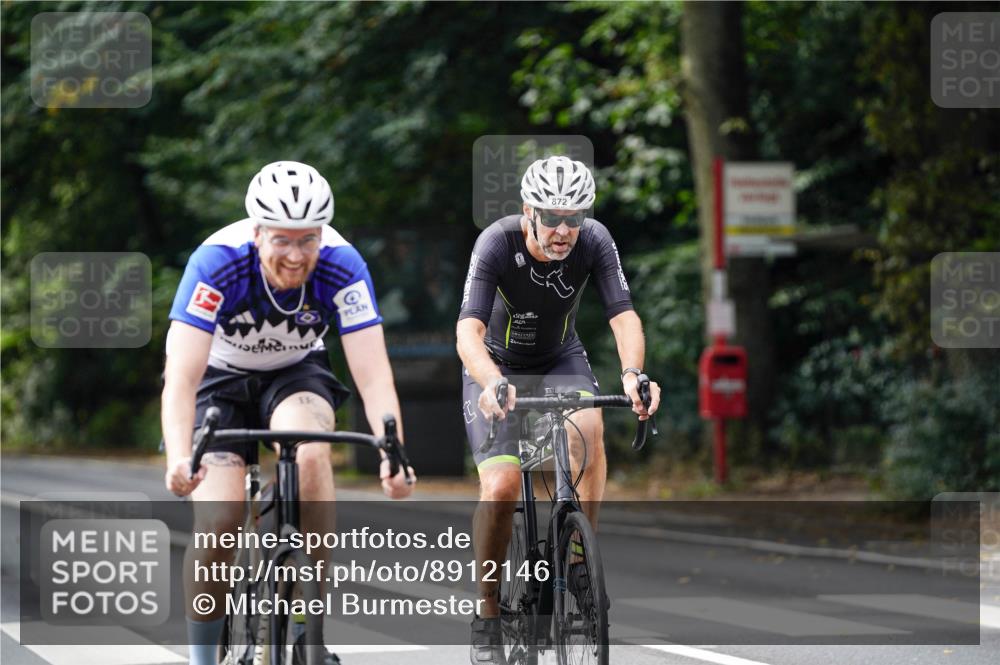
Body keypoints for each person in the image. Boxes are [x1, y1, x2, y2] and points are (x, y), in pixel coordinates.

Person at [162, 161, 416, 665]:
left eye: (308, 240)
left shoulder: (343, 265)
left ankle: (306, 628)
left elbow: (372, 374)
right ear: (257, 232)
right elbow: (182, 377)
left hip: (296, 371)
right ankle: (201, 658)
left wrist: (394, 452)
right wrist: (178, 455)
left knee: (312, 458)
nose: (297, 256)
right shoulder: (216, 263)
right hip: (219, 378)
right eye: (283, 240)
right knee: (220, 521)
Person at [456, 156, 661, 664]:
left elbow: (622, 315)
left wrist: (633, 374)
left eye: (575, 216)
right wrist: (491, 381)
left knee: (588, 429)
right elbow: (469, 331)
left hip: (559, 358)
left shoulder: (594, 240)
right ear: (528, 212)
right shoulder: (497, 243)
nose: (564, 229)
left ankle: (577, 559)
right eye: (552, 217)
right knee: (501, 487)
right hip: (496, 366)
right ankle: (487, 611)